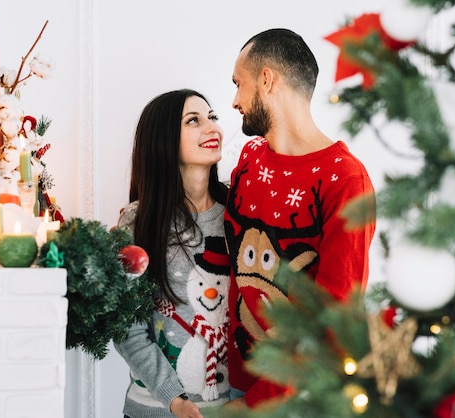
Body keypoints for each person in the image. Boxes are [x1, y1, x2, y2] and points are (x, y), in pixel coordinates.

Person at [224, 28, 377, 409]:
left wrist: (258, 403)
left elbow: (335, 316)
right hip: (233, 382)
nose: (234, 101)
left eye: (238, 84)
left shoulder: (346, 180)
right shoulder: (250, 157)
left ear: (266, 79)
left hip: (295, 398)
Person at [115, 89, 231, 418]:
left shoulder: (238, 216)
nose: (212, 128)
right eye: (194, 120)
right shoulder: (137, 221)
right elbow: (126, 327)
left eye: (213, 117)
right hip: (155, 410)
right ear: (164, 139)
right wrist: (174, 400)